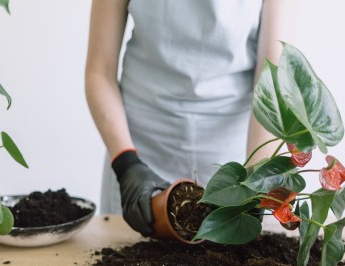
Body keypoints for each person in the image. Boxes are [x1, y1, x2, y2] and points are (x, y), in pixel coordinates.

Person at [85, 0, 297, 237]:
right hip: (139, 145)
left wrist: (255, 178)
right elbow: (99, 71)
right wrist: (126, 164)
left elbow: (271, 76)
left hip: (233, 153)